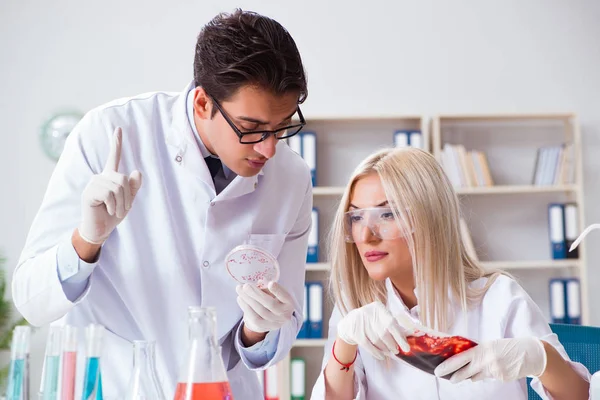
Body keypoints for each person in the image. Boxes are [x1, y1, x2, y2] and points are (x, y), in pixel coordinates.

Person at [12, 9, 312, 399]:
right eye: (252, 130)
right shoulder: (109, 134)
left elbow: (276, 335)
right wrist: (86, 241)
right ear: (203, 103)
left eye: (283, 126)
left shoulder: (292, 177)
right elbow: (32, 300)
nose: (269, 149)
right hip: (121, 387)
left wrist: (260, 328)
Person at [311, 147, 590, 400]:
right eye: (357, 217)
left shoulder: (500, 298)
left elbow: (580, 397)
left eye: (387, 214)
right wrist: (344, 345)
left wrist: (541, 359)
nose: (366, 236)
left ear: (429, 218)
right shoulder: (357, 312)